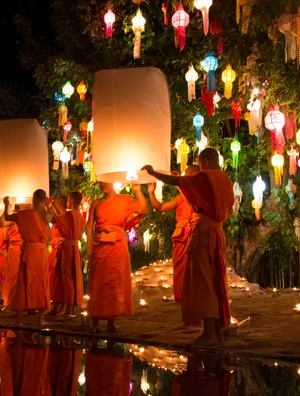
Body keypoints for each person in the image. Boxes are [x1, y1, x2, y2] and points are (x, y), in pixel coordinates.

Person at [142, 147, 234, 345]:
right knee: (216, 280)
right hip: (216, 233)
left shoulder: (206, 177)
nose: (200, 170)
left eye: (200, 165)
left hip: (202, 233)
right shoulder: (224, 179)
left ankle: (208, 332)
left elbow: (178, 181)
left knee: (204, 283)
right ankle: (216, 330)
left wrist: (153, 172)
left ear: (205, 162)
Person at [85, 182, 149, 333]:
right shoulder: (96, 203)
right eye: (101, 182)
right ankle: (94, 321)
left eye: (105, 182)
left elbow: (145, 210)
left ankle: (111, 322)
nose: (102, 185)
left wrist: (138, 190)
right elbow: (89, 225)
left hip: (118, 244)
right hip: (100, 243)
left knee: (114, 280)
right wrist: (88, 245)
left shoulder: (125, 199)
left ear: (113, 182)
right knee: (98, 280)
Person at [148, 166, 201, 334]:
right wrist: (151, 192)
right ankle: (186, 320)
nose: (184, 176)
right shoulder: (180, 196)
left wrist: (179, 183)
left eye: (187, 175)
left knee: (193, 280)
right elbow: (161, 208)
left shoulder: (199, 194)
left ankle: (197, 321)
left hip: (193, 236)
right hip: (179, 237)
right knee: (181, 278)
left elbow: (191, 199)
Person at [3, 189, 53, 326]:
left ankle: (20, 319)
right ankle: (41, 319)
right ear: (44, 200)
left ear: (33, 199)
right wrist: (49, 205)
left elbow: (7, 217)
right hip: (40, 252)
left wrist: (6, 204)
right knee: (41, 283)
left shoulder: (23, 214)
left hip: (28, 251)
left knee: (23, 282)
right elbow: (52, 218)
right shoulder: (46, 214)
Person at [50, 191, 85, 317]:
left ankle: (69, 309)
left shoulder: (70, 214)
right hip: (74, 247)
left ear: (73, 202)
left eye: (68, 200)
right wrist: (53, 205)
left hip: (68, 248)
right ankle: (66, 307)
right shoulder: (79, 215)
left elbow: (58, 220)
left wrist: (52, 205)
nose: (67, 202)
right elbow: (62, 219)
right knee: (69, 276)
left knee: (67, 278)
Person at [0, 204, 23, 307]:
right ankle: (12, 301)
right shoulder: (13, 220)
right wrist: (5, 208)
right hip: (14, 249)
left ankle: (24, 302)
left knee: (23, 277)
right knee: (13, 276)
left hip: (25, 248)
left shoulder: (28, 217)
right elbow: (0, 223)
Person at [46, 196, 67, 316]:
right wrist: (48, 206)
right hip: (53, 249)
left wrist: (51, 205)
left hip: (61, 249)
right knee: (52, 278)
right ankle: (55, 305)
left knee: (61, 278)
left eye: (57, 204)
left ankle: (64, 306)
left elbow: (59, 218)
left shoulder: (67, 216)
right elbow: (52, 219)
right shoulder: (56, 217)